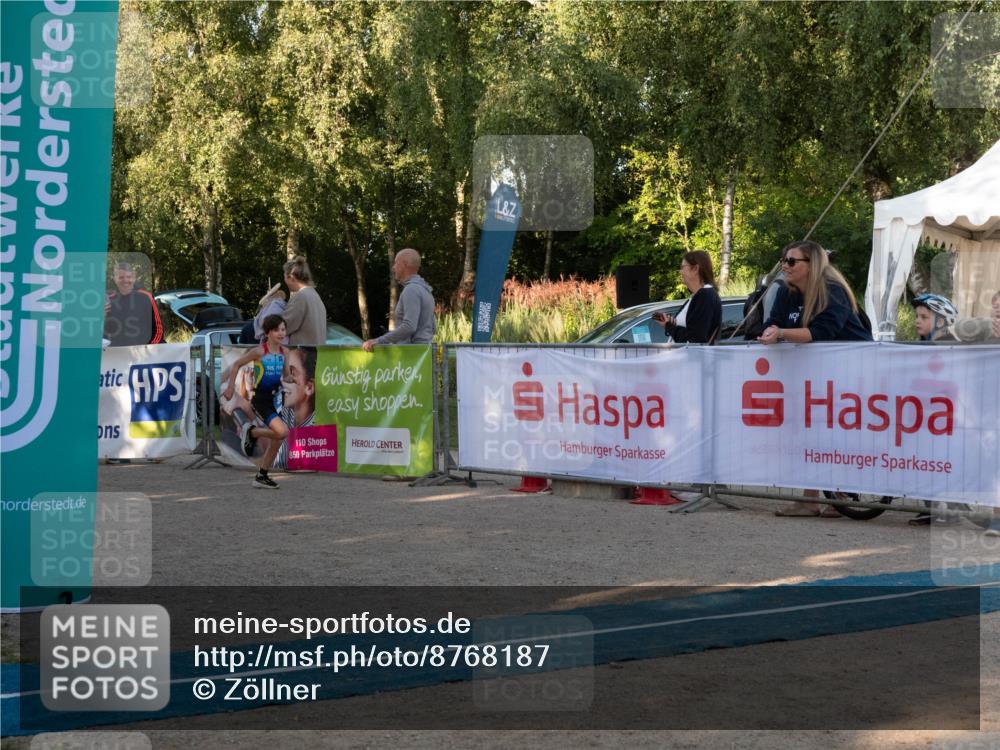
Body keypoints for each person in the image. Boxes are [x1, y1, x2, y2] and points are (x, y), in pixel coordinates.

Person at [758, 240, 873, 517]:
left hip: (854, 371)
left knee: (838, 434)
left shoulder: (833, 290)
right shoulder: (786, 291)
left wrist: (781, 333)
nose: (785, 266)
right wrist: (771, 330)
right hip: (816, 374)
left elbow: (821, 332)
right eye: (783, 260)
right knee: (811, 431)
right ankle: (811, 499)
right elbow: (772, 321)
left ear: (812, 265)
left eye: (791, 261)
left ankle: (839, 496)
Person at [222, 315, 289, 489]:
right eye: (276, 330)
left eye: (283, 329)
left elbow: (286, 375)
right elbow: (236, 365)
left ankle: (262, 476)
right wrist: (230, 388)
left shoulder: (285, 352)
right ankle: (252, 432)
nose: (281, 333)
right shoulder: (259, 351)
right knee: (282, 432)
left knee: (277, 439)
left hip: (276, 400)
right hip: (261, 400)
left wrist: (293, 379)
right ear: (267, 333)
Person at [363, 248, 435, 351]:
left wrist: (378, 341)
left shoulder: (411, 290)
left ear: (405, 264)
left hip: (412, 354)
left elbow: (409, 326)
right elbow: (432, 327)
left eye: (396, 263)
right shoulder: (425, 290)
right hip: (424, 353)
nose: (393, 267)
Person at [651, 251, 723, 343]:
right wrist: (670, 323)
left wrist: (668, 326)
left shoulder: (705, 295)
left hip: (691, 352)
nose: (680, 272)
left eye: (682, 267)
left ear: (695, 269)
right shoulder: (697, 296)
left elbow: (695, 338)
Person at [274, 346, 317, 470]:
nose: (282, 379)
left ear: (309, 387)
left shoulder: (317, 430)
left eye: (292, 373)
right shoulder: (286, 412)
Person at [104, 261, 163, 346]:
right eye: (121, 277)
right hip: (117, 352)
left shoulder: (146, 297)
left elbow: (158, 329)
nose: (125, 280)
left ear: (134, 278)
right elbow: (104, 333)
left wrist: (150, 348)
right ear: (115, 279)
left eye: (128, 277)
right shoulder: (109, 300)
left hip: (143, 351)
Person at [281, 256, 327, 346]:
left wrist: (267, 307)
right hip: (316, 351)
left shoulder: (300, 296)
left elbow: (283, 327)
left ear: (291, 278)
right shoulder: (314, 294)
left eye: (285, 278)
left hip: (302, 352)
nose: (285, 281)